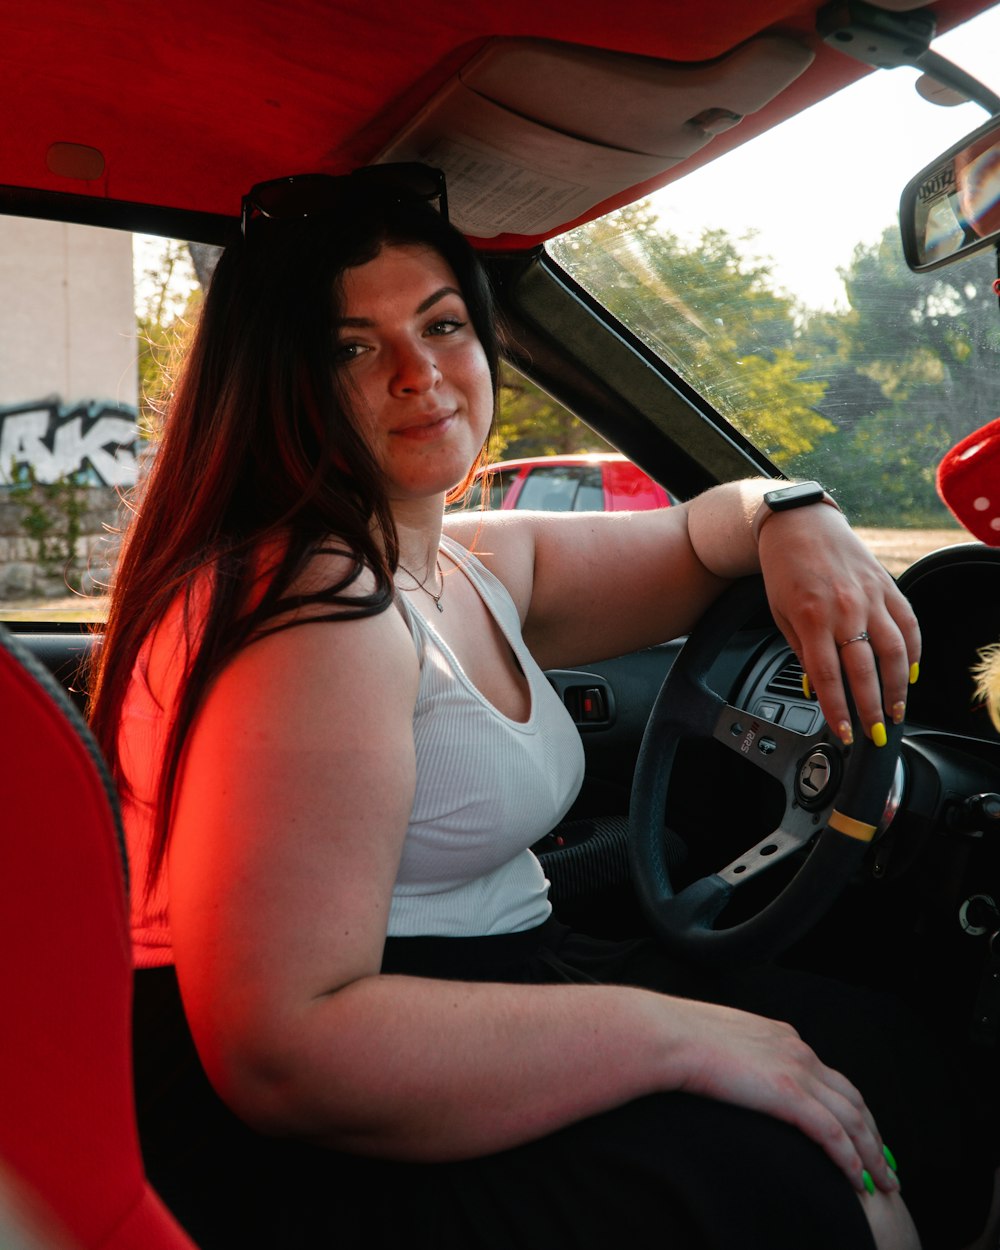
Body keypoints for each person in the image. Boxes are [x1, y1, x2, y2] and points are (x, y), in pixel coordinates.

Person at [88, 164, 993, 1250]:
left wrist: (797, 513)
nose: (420, 373)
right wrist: (678, 1036)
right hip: (319, 1109)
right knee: (808, 1181)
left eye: (442, 324)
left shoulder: (455, 562)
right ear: (279, 377)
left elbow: (709, 528)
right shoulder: (317, 613)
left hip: (482, 983)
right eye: (352, 345)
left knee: (884, 1053)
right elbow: (285, 1050)